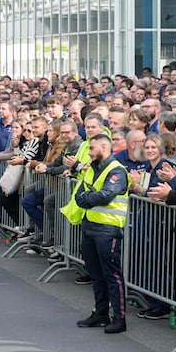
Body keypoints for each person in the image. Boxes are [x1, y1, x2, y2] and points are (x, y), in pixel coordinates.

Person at [63, 134, 130, 334]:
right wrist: (88, 198)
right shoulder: (93, 169)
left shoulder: (117, 170)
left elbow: (106, 196)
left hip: (108, 230)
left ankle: (119, 318)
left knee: (112, 275)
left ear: (104, 147)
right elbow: (79, 194)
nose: (89, 152)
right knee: (96, 274)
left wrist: (87, 198)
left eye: (92, 148)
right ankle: (101, 312)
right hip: (90, 226)